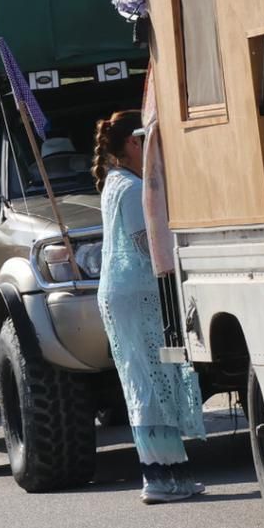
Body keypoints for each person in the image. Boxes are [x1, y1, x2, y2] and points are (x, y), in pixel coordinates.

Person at [94, 109, 205, 504]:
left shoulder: (117, 182)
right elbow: (145, 243)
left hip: (126, 293)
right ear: (133, 143)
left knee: (150, 379)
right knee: (150, 380)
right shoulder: (127, 188)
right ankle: (157, 477)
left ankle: (172, 472)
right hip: (135, 293)